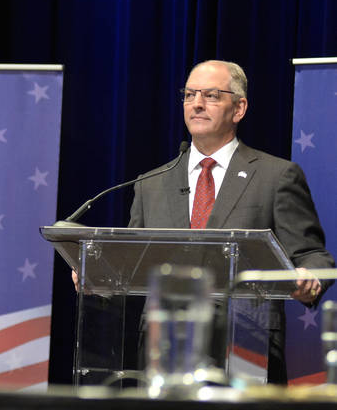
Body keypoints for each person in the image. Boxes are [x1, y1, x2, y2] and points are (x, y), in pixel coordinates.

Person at [128, 59, 334, 383]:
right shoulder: (150, 183)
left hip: (246, 351)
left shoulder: (276, 177)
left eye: (211, 95)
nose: (196, 104)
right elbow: (128, 262)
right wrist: (91, 273)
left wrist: (310, 278)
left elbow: (312, 255)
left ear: (239, 109)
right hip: (163, 352)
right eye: (190, 94)